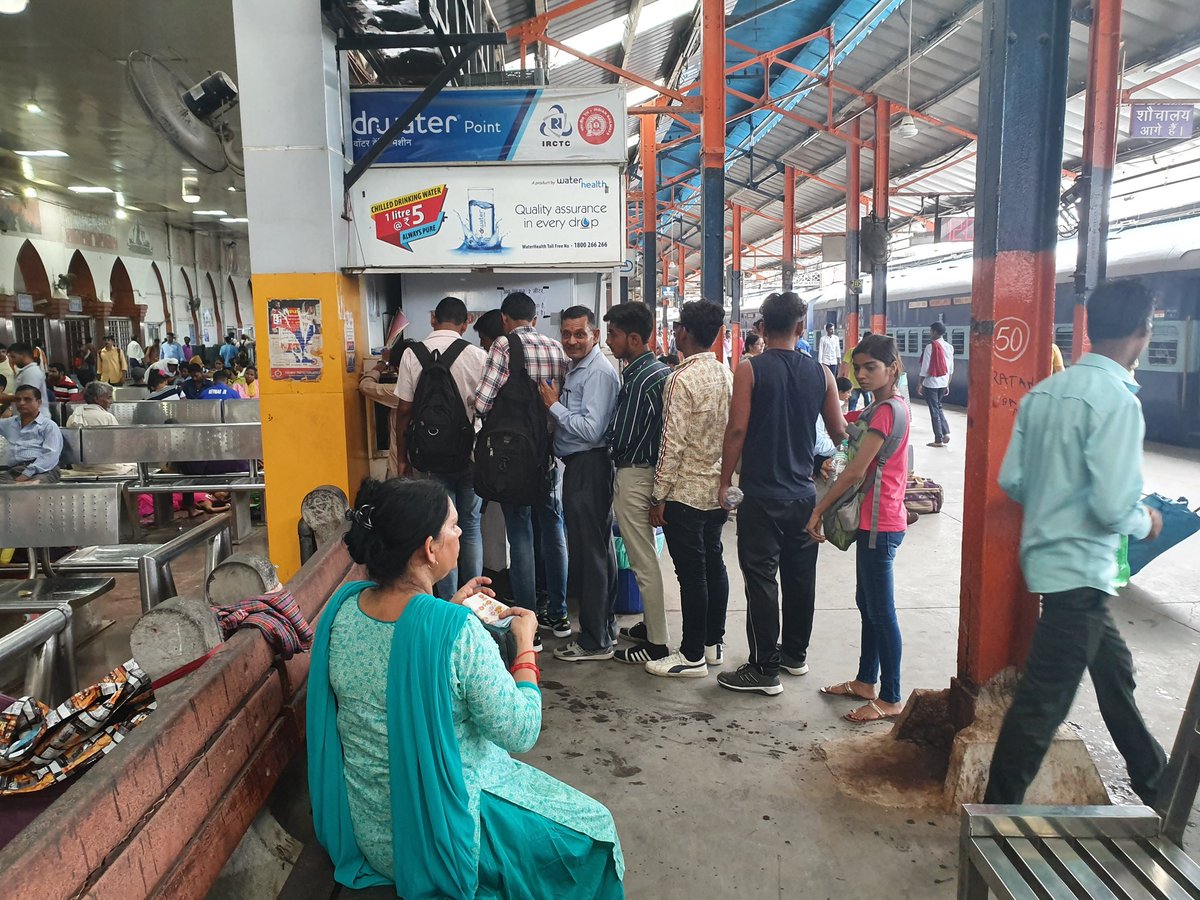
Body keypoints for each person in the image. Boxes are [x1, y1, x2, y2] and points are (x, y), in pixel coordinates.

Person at [307, 478, 624, 898]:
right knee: (596, 830)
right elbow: (520, 730)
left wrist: (447, 611)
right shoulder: (455, 634)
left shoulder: (344, 609)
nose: (460, 533)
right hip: (444, 836)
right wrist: (525, 647)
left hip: (375, 831)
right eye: (453, 526)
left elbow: (394, 656)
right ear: (428, 549)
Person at [983, 279, 1167, 806]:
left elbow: (1014, 481)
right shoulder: (1117, 402)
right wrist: (1145, 522)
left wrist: (1056, 491)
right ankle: (992, 821)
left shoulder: (1043, 392)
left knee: (1116, 674)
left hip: (1056, 565)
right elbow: (1113, 506)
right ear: (1143, 332)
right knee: (1041, 706)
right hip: (1081, 571)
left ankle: (1156, 781)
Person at [717, 291, 847, 695]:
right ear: (801, 327)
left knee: (761, 580)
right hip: (805, 495)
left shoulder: (750, 369)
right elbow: (840, 433)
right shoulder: (822, 374)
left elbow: (737, 430)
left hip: (761, 494)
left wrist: (725, 481)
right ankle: (794, 655)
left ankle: (763, 668)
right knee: (800, 577)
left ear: (761, 328)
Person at [807, 334, 912, 722]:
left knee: (881, 611)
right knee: (868, 604)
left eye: (871, 367)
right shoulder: (886, 407)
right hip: (877, 521)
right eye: (858, 367)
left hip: (879, 524)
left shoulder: (886, 412)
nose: (863, 375)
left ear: (892, 368)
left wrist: (819, 509)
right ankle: (867, 681)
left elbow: (854, 471)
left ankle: (892, 696)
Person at [474, 292, 569, 652]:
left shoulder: (503, 345)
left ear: (504, 318)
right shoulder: (556, 348)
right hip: (547, 454)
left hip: (514, 460)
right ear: (536, 317)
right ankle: (558, 615)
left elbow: (483, 401)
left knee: (521, 532)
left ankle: (529, 622)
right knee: (553, 526)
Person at [645, 300, 733, 679]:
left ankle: (692, 654)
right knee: (714, 563)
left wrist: (658, 494)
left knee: (691, 574)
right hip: (718, 491)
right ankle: (713, 643)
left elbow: (672, 443)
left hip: (685, 492)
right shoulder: (727, 375)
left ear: (684, 332)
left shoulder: (679, 379)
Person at [538, 306, 620, 662]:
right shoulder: (577, 368)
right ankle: (603, 627)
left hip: (589, 465)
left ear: (595, 335)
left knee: (589, 555)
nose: (571, 341)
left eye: (579, 334)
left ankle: (594, 640)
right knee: (596, 551)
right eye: (567, 334)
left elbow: (591, 429)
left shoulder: (598, 373)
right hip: (579, 466)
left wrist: (554, 407)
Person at [394, 296, 489, 601]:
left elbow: (404, 410)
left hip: (429, 456)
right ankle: (475, 600)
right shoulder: (477, 355)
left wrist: (403, 458)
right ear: (466, 323)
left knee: (440, 530)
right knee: (470, 526)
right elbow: (487, 409)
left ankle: (449, 601)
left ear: (433, 318)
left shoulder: (412, 354)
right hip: (470, 454)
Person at [604, 302, 673, 665]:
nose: (609, 341)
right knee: (646, 558)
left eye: (613, 335)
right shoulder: (656, 372)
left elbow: (623, 437)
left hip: (636, 473)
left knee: (642, 560)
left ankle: (657, 643)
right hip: (649, 474)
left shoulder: (642, 378)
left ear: (633, 338)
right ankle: (652, 625)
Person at [64, 381, 138, 476]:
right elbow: (119, 447)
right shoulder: (107, 417)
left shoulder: (73, 416)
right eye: (109, 397)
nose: (111, 401)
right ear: (97, 399)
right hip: (105, 467)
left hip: (79, 467)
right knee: (134, 465)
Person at [0, 386, 62, 483]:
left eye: (27, 399)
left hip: (44, 470)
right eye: (18, 399)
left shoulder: (48, 426)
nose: (21, 403)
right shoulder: (9, 423)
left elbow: (50, 455)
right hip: (15, 471)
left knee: (32, 486)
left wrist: (27, 474)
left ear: (39, 402)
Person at [358, 358, 401, 477]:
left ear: (398, 368)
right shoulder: (432, 390)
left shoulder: (398, 391)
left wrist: (382, 364)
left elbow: (365, 386)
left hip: (398, 468)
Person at [917, 321, 954, 447]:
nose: (929, 333)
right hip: (943, 382)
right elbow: (950, 369)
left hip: (931, 383)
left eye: (930, 331)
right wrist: (947, 384)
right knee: (938, 407)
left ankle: (938, 439)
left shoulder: (930, 347)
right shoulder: (949, 347)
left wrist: (920, 383)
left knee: (934, 410)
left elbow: (925, 368)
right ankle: (946, 432)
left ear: (934, 332)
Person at [0, 341, 47, 406]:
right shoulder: (25, 371)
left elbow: (27, 397)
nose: (11, 360)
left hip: (33, 414)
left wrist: (3, 397)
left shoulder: (32, 372)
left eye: (13, 357)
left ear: (24, 355)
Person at [841, 330, 872, 411]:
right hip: (859, 383)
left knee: (856, 404)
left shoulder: (871, 353)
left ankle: (854, 420)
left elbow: (845, 365)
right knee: (866, 404)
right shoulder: (852, 351)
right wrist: (843, 377)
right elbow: (845, 365)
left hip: (860, 383)